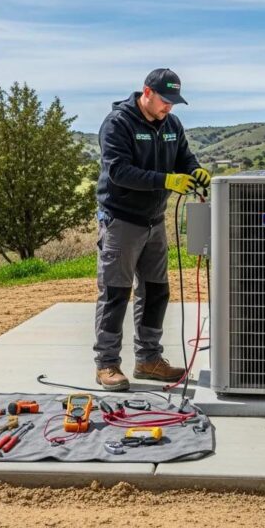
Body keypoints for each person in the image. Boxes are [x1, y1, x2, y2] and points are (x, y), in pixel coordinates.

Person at [93, 68, 211, 390]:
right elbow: (118, 171)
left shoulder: (171, 124)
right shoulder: (118, 123)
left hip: (154, 221)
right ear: (147, 92)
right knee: (116, 293)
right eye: (164, 100)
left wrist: (195, 172)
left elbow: (185, 158)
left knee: (157, 292)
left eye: (174, 102)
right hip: (120, 221)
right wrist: (166, 180)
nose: (169, 107)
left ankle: (148, 359)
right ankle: (107, 364)